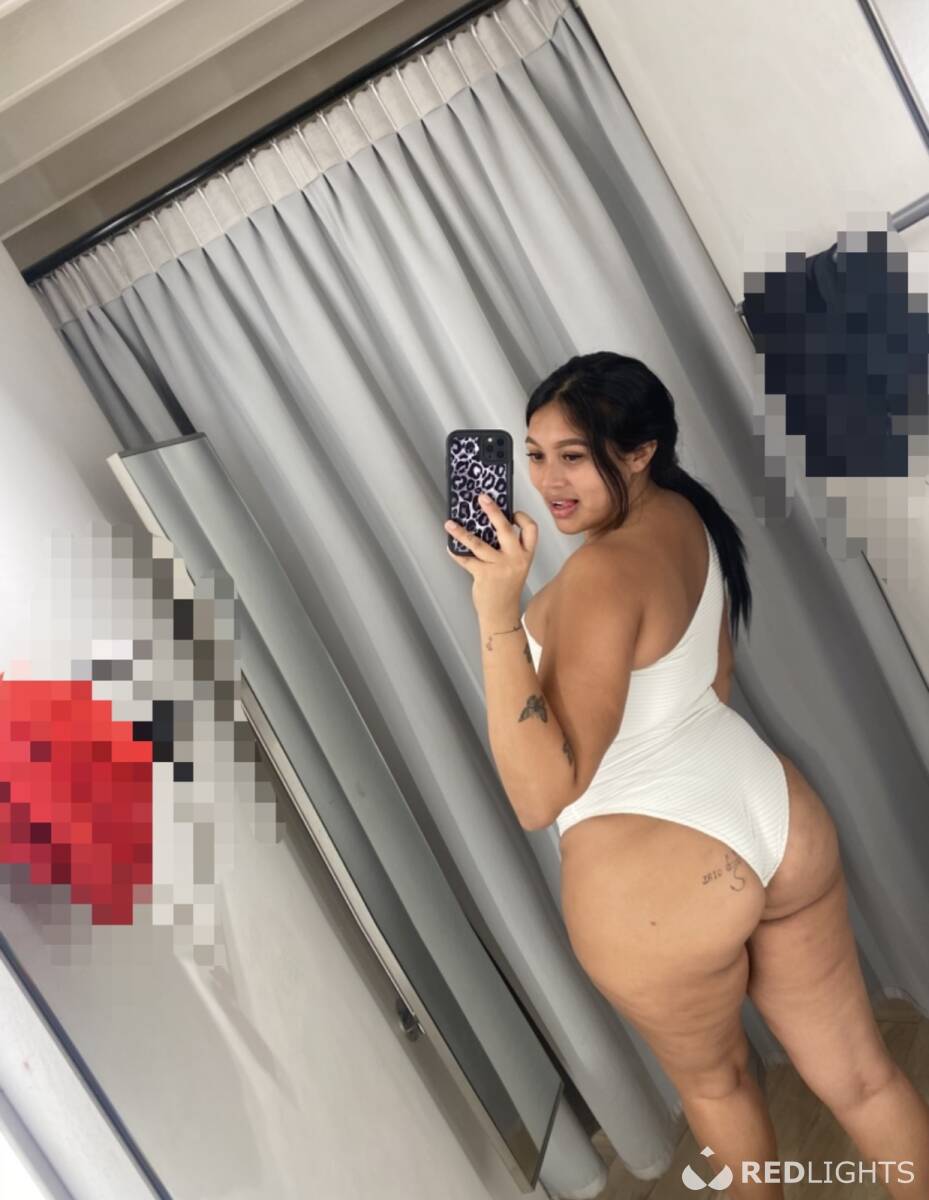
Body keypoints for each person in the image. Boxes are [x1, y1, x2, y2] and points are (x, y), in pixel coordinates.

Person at [444, 352, 929, 1199]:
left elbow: (539, 796)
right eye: (535, 453)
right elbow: (712, 680)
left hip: (658, 882)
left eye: (573, 456)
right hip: (773, 817)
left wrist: (496, 615)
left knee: (719, 1088)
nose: (547, 481)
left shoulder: (598, 574)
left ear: (639, 452)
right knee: (862, 1078)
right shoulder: (681, 515)